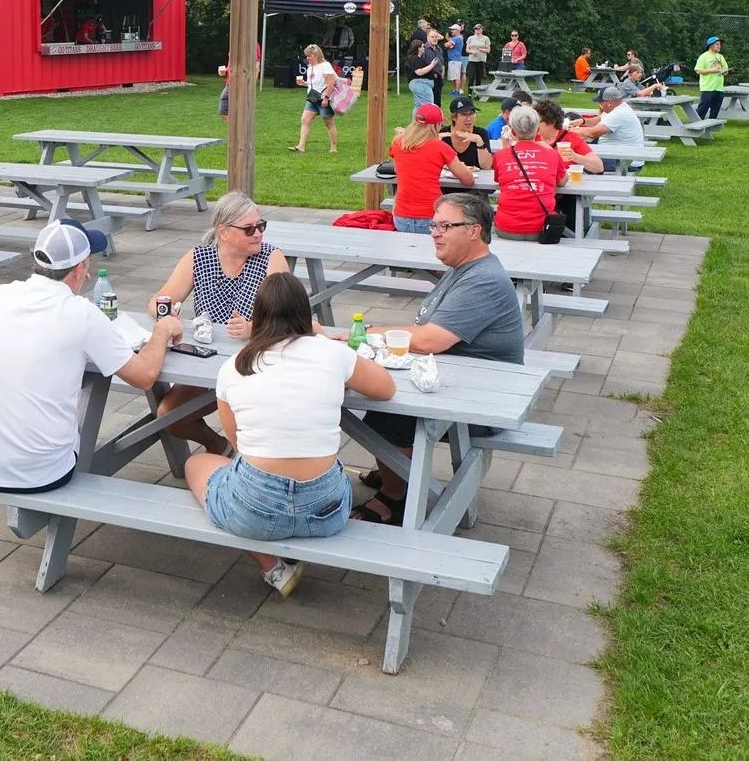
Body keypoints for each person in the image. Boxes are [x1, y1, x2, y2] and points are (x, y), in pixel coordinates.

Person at [187, 272, 397, 597]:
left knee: (196, 464)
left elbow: (238, 443)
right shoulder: (331, 353)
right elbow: (386, 388)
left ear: (257, 316)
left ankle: (272, 567)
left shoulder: (234, 366)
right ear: (305, 313)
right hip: (327, 512)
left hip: (252, 514)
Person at [0, 218, 172, 492]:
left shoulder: (0, 296)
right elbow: (144, 376)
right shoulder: (81, 313)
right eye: (88, 264)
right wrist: (163, 330)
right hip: (41, 472)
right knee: (78, 440)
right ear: (80, 269)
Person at [354, 191, 525, 521]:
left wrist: (366, 332)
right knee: (376, 394)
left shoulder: (483, 279)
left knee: (385, 412)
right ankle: (397, 470)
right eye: (434, 225)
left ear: (474, 231)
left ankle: (396, 495)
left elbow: (428, 340)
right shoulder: (464, 268)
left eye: (445, 226)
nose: (434, 233)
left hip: (484, 402)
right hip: (459, 381)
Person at [149, 193, 295, 454]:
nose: (258, 234)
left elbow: (288, 319)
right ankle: (219, 447)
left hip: (255, 366)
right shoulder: (199, 257)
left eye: (260, 226)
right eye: (249, 229)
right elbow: (159, 300)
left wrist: (253, 328)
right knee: (169, 414)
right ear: (224, 232)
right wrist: (167, 313)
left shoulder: (272, 258)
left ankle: (249, 463)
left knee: (250, 423)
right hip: (206, 363)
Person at [390, 103, 474, 233]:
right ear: (436, 125)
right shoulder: (440, 147)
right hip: (431, 216)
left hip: (401, 217)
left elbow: (397, 170)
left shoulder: (398, 142)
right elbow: (468, 180)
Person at [493, 106, 564, 242]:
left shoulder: (500, 155)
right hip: (543, 228)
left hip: (506, 228)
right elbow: (562, 181)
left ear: (513, 131)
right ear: (537, 130)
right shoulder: (552, 154)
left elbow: (498, 179)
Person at [290, 45, 340, 154]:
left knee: (329, 123)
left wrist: (326, 98)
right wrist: (304, 83)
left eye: (309, 55)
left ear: (316, 55)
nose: (307, 58)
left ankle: (333, 148)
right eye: (307, 56)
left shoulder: (325, 66)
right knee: (305, 120)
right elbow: (313, 84)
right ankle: (301, 146)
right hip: (312, 99)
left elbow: (331, 83)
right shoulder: (310, 67)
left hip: (324, 99)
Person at [534, 98, 604, 174]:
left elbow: (599, 167)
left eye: (538, 121)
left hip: (565, 180)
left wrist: (575, 157)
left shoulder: (571, 138)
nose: (534, 124)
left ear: (552, 122)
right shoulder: (529, 137)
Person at [572, 85, 647, 148]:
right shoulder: (620, 107)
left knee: (576, 151)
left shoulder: (618, 114)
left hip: (622, 156)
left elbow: (592, 133)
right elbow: (600, 119)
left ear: (609, 102)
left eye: (600, 102)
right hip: (620, 150)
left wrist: (569, 131)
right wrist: (583, 121)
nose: (599, 104)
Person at [441, 95, 493, 170]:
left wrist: (479, 142)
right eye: (464, 114)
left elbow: (487, 166)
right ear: (454, 117)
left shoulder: (481, 133)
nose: (469, 119)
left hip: (475, 177)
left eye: (471, 113)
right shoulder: (443, 134)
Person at [695, 36, 728, 121]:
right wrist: (712, 70)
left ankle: (711, 126)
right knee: (702, 110)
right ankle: (695, 125)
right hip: (707, 87)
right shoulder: (704, 56)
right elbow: (698, 70)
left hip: (719, 88)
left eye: (720, 44)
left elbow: (726, 71)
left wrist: (724, 72)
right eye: (717, 44)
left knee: (715, 110)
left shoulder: (720, 56)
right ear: (711, 45)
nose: (719, 46)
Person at [401, 36, 438, 109]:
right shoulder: (414, 58)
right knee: (428, 106)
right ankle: (426, 116)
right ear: (418, 48)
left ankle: (417, 117)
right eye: (423, 46)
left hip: (421, 84)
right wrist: (432, 65)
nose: (424, 48)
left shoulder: (419, 58)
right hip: (421, 84)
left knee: (418, 106)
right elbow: (419, 72)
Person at [445, 23, 467, 92]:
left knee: (456, 77)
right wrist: (449, 44)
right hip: (454, 59)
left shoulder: (457, 38)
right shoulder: (456, 38)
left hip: (455, 59)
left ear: (457, 30)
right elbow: (449, 45)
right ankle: (455, 90)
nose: (451, 31)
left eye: (453, 29)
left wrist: (448, 44)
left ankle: (457, 91)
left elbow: (446, 45)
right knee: (454, 77)